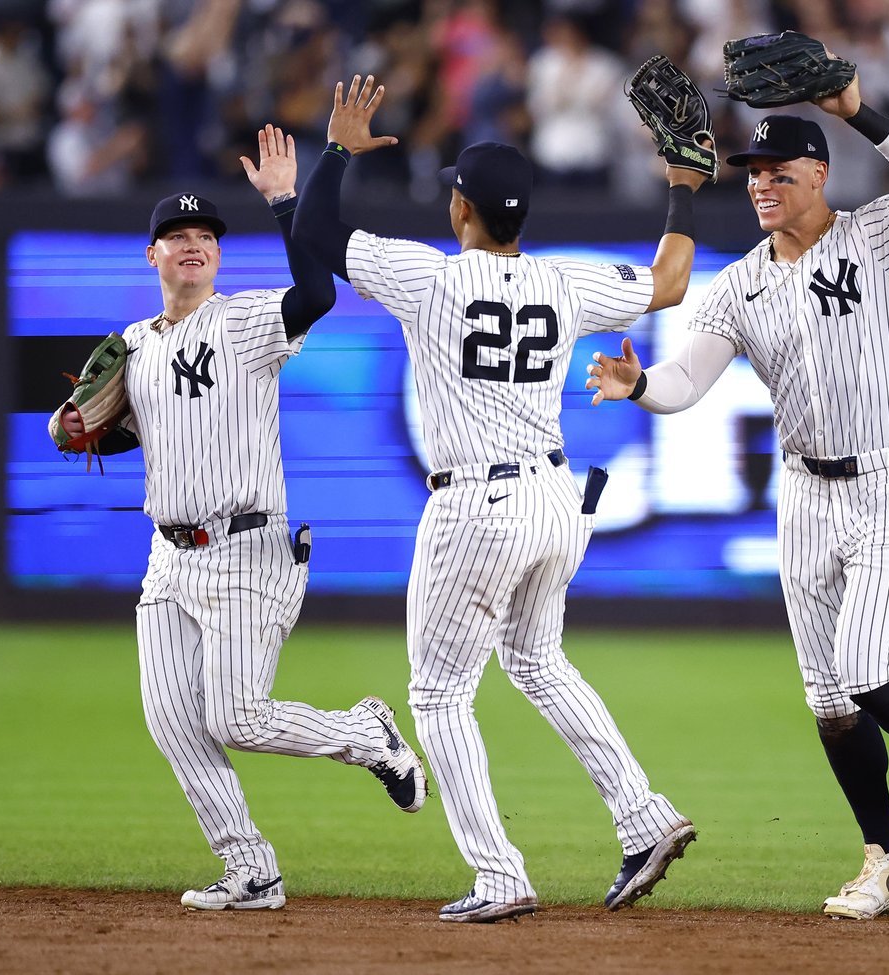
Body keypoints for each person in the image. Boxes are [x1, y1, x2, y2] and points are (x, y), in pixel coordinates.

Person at [291, 76, 705, 923]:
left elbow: (316, 231)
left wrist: (336, 147)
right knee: (538, 661)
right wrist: (683, 188)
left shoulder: (428, 278)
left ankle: (498, 872)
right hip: (556, 501)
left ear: (462, 210)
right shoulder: (566, 283)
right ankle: (644, 815)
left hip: (476, 505)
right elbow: (669, 282)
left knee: (440, 694)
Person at [587, 66, 889, 922]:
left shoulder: (877, 233)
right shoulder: (740, 283)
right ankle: (883, 860)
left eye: (778, 172)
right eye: (753, 175)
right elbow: (686, 382)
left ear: (819, 174)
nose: (761, 184)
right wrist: (639, 380)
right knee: (831, 703)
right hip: (806, 496)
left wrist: (854, 110)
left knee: (870, 666)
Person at [51, 123, 427, 912]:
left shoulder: (249, 321)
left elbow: (318, 293)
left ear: (218, 255)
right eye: (176, 236)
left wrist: (289, 201)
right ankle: (250, 867)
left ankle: (368, 734)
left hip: (249, 548)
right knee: (174, 722)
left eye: (204, 236)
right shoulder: (133, 346)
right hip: (169, 557)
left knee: (235, 713)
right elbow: (116, 430)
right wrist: (72, 428)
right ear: (150, 255)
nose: (192, 245)